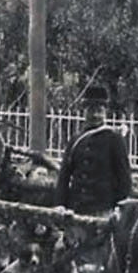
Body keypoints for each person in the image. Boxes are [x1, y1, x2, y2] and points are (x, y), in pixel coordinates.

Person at [55, 84, 132, 215]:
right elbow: (64, 176)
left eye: (99, 110)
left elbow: (124, 177)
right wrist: (60, 204)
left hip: (103, 209)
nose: (95, 115)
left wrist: (120, 207)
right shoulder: (76, 140)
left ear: (105, 112)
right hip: (76, 209)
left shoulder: (114, 139)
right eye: (91, 110)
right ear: (84, 111)